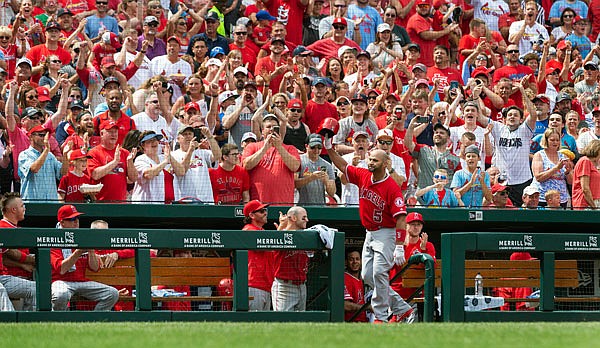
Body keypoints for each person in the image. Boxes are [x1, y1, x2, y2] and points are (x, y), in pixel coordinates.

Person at [326, 141, 413, 323]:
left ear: (384, 163)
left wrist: (398, 246)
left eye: (374, 160)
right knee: (367, 275)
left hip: (386, 232)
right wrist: (328, 149)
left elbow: (401, 219)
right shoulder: (364, 175)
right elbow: (343, 165)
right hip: (370, 232)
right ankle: (402, 308)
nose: (370, 162)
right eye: (370, 159)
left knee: (380, 272)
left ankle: (381, 316)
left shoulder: (392, 188)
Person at [50, 205, 119, 311]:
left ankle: (95, 322)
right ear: (62, 222)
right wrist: (79, 252)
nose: (76, 222)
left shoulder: (82, 236)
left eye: (77, 218)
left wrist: (91, 250)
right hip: (61, 281)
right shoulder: (54, 240)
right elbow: (62, 269)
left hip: (81, 282)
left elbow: (95, 268)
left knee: (112, 293)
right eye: (72, 219)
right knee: (61, 294)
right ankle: (59, 321)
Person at [242, 115, 300, 205]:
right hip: (258, 206)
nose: (271, 129)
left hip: (283, 204)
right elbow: (246, 165)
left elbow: (295, 167)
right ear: (262, 131)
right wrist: (265, 148)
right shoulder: (252, 146)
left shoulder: (290, 148)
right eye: (268, 127)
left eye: (274, 127)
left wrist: (279, 147)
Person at [389, 212, 435, 316]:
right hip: (396, 293)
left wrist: (423, 250)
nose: (416, 227)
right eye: (413, 224)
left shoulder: (428, 245)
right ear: (406, 226)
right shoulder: (397, 245)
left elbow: (432, 267)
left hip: (417, 294)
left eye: (418, 224)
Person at [0, 193, 37, 311]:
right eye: (22, 206)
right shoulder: (3, 226)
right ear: (13, 209)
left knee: (36, 290)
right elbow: (8, 254)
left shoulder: (17, 228)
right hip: (9, 276)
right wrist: (33, 260)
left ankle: (30, 324)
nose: (24, 208)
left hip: (19, 278)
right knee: (37, 290)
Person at [86, 121, 138, 202]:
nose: (114, 134)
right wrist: (114, 162)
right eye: (110, 132)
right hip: (100, 203)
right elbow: (95, 175)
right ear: (102, 133)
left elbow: (134, 178)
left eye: (115, 132)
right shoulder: (93, 152)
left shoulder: (124, 153)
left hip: (121, 203)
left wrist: (130, 162)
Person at [272, 206, 311, 312]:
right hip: (285, 286)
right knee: (283, 323)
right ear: (293, 218)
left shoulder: (307, 236)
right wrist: (282, 227)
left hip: (302, 285)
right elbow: (274, 247)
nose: (307, 220)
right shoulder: (281, 233)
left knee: (300, 323)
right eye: (303, 218)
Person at [171, 125, 221, 203]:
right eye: (185, 134)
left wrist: (209, 136)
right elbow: (181, 171)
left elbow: (217, 155)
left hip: (206, 199)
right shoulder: (173, 155)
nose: (188, 136)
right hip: (185, 200)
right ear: (178, 139)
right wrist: (190, 150)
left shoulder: (202, 152)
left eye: (190, 134)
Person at [19, 125, 69, 201]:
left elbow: (63, 173)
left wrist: (65, 156)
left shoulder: (50, 156)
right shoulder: (24, 155)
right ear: (30, 137)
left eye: (46, 135)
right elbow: (34, 169)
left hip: (51, 203)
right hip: (33, 203)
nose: (45, 138)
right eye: (41, 135)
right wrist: (46, 150)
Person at [242, 199, 274, 311]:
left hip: (266, 285)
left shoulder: (262, 231)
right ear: (251, 215)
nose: (265, 213)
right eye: (261, 211)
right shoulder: (248, 230)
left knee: (263, 325)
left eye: (265, 210)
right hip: (254, 284)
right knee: (253, 323)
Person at [531, 128, 573, 208]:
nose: (555, 142)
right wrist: (556, 168)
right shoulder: (539, 155)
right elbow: (538, 177)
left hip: (561, 199)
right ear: (546, 140)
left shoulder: (563, 156)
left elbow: (571, 182)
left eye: (557, 140)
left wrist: (568, 172)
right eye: (552, 140)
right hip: (543, 199)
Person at [295, 134, 336, 205]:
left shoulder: (327, 165)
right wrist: (311, 177)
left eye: (319, 147)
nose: (316, 150)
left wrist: (327, 181)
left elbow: (332, 193)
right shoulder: (298, 161)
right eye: (313, 147)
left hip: (320, 205)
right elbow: (294, 184)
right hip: (301, 205)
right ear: (306, 146)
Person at [572, 139, 600, 209]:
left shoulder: (593, 164)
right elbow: (585, 188)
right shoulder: (585, 161)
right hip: (585, 204)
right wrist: (594, 207)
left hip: (593, 202)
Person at [344, 250, 368, 322]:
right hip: (351, 322)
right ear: (346, 262)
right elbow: (345, 305)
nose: (355, 262)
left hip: (364, 321)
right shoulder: (345, 278)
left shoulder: (362, 278)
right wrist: (367, 307)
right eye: (351, 259)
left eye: (357, 259)